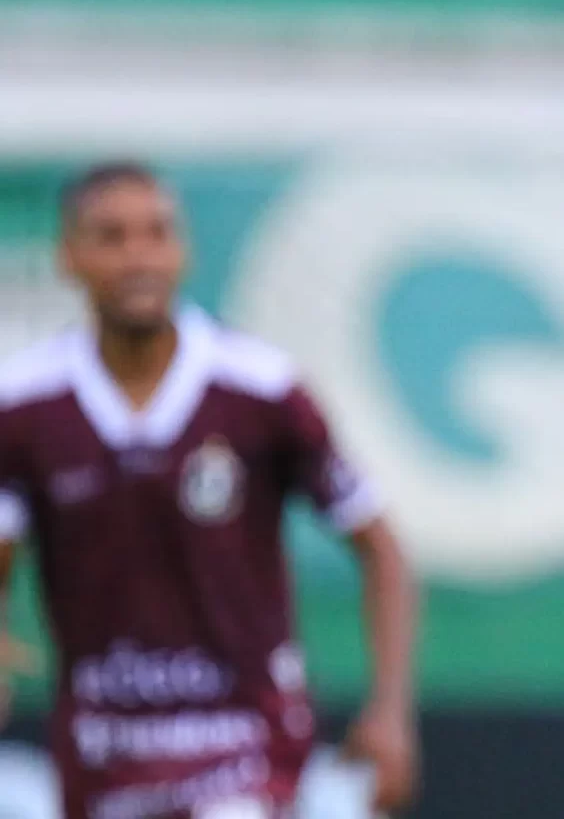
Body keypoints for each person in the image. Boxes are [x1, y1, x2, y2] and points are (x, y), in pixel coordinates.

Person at [0, 163, 419, 819]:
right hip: (105, 747)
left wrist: (390, 710)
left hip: (243, 738)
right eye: (112, 237)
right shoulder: (26, 405)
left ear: (183, 250)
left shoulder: (260, 391)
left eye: (156, 233)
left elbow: (378, 544)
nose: (138, 255)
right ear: (69, 257)